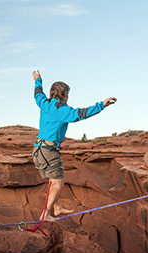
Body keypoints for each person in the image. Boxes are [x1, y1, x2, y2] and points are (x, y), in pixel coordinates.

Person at [32, 70, 117, 222]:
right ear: (64, 95)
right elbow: (81, 114)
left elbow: (38, 93)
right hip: (48, 151)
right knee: (58, 184)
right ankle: (45, 214)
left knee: (53, 180)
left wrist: (38, 80)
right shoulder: (62, 110)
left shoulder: (44, 103)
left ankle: (56, 208)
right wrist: (102, 105)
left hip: (37, 151)